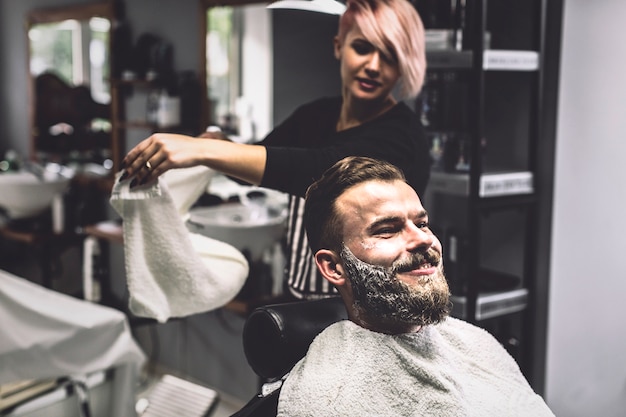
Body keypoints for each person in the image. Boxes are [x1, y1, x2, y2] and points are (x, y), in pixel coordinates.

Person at [120, 0, 430, 300]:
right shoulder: (316, 116)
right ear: (339, 45)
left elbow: (322, 170)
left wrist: (202, 150)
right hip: (302, 293)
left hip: (376, 307)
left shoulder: (402, 135)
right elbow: (254, 167)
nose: (373, 66)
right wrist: (218, 144)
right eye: (362, 48)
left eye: (389, 56)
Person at [274, 156, 555, 416]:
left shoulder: (476, 343)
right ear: (334, 267)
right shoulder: (327, 401)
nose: (423, 240)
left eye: (422, 223)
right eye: (387, 230)